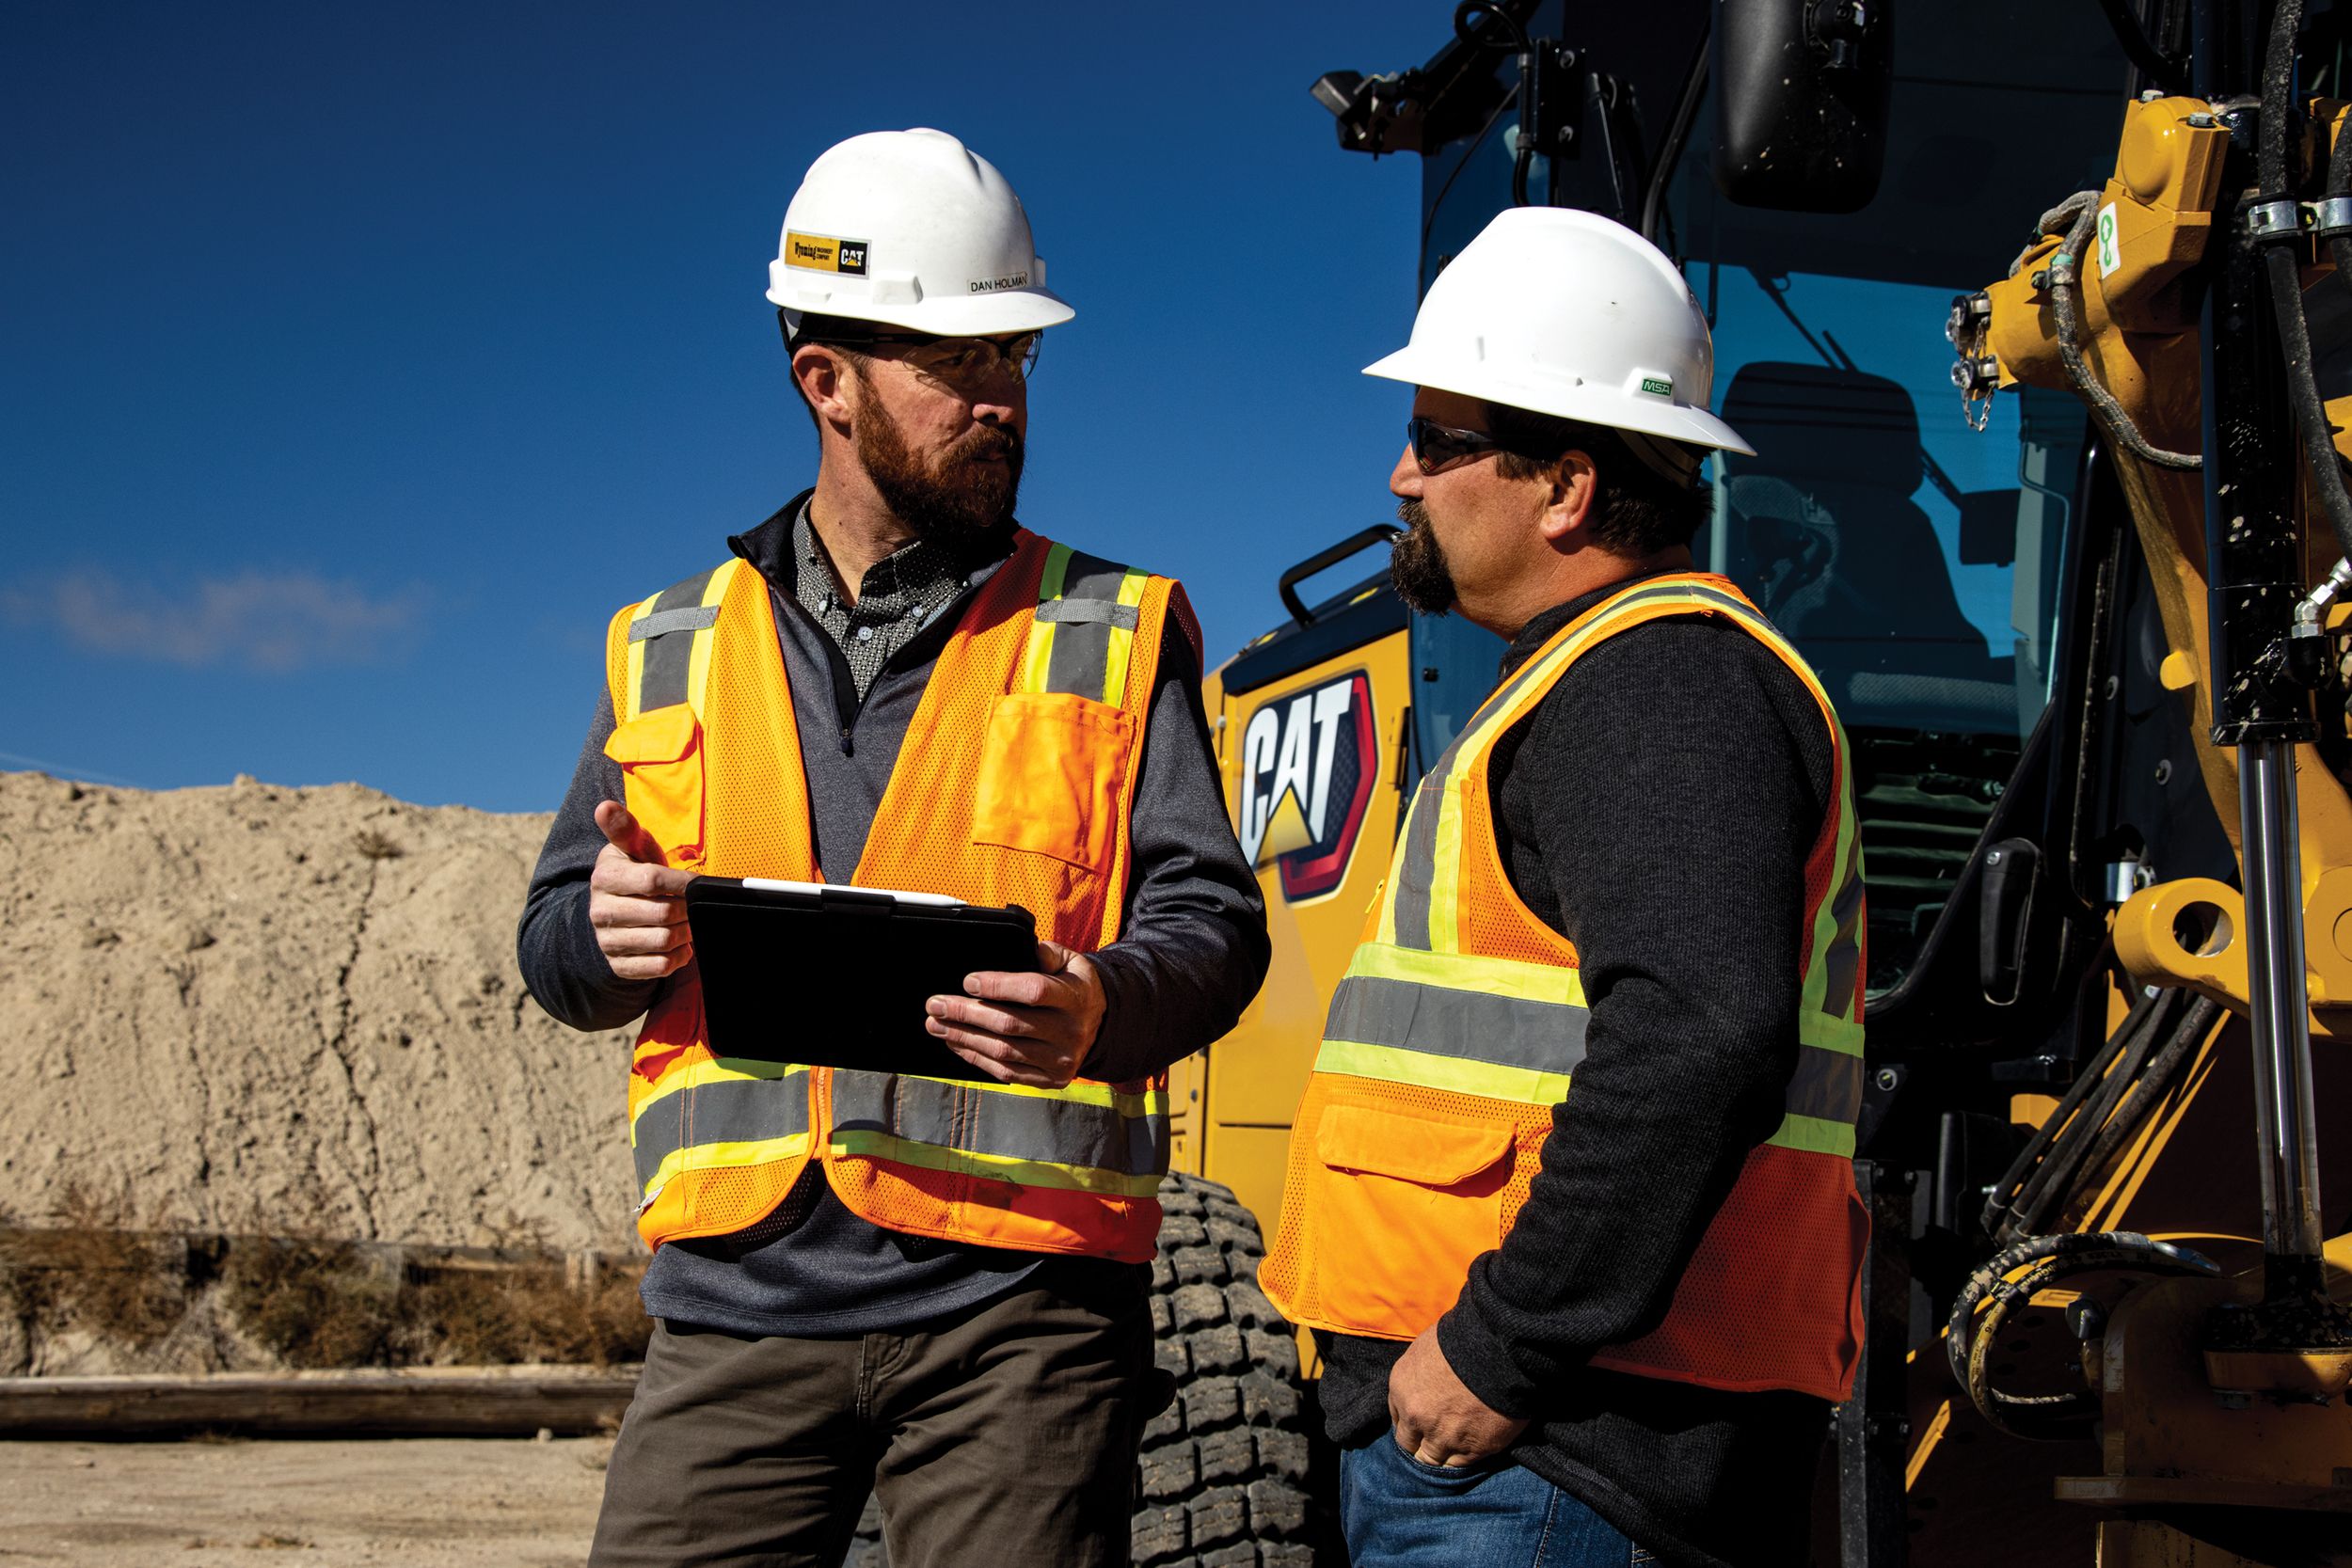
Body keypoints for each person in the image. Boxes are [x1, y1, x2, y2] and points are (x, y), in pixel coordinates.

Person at [517, 127, 1268, 1568]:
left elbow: (1215, 925)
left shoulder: (1111, 628)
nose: (1001, 400)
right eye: (958, 364)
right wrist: (596, 938)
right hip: (733, 1317)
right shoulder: (671, 643)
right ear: (828, 383)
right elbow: (556, 939)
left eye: (1015, 361)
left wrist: (1105, 1004)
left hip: (1020, 1327)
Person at [1259, 206, 1868, 1568]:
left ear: (1568, 488)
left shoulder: (1654, 683)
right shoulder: (1613, 682)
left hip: (1548, 1465)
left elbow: (1702, 1031)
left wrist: (1500, 1346)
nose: (1402, 476)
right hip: (1541, 1449)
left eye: (1436, 440)